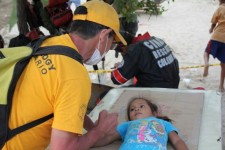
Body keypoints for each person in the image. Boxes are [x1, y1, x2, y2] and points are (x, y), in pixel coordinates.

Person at [2, 1, 127, 149]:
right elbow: (61, 148)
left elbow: (58, 97)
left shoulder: (48, 43)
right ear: (104, 35)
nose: (109, 49)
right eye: (112, 43)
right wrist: (99, 132)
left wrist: (90, 127)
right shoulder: (75, 76)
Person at [94, 97, 189, 149]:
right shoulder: (128, 125)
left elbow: (177, 141)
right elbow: (109, 138)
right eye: (132, 109)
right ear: (130, 118)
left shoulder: (163, 123)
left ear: (154, 113)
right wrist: (88, 143)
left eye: (141, 106)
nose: (136, 109)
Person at [111, 32, 180, 88]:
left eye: (123, 51)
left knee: (121, 91)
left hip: (157, 91)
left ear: (125, 47)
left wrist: (119, 67)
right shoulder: (157, 40)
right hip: (174, 86)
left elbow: (117, 79)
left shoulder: (136, 48)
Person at [203, 0, 225, 92]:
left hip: (216, 37)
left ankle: (206, 63)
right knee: (223, 65)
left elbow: (214, 21)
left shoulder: (220, 8)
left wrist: (211, 29)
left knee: (206, 52)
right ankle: (221, 86)